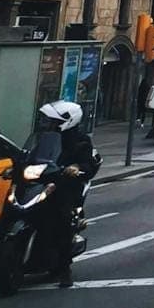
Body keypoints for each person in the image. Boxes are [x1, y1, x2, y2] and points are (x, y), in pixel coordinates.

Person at [32, 100, 99, 288]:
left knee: (61, 220)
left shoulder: (80, 141)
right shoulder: (44, 137)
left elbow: (87, 165)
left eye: (52, 121)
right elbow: (31, 154)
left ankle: (64, 268)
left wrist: (75, 168)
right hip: (41, 182)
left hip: (65, 186)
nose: (48, 124)